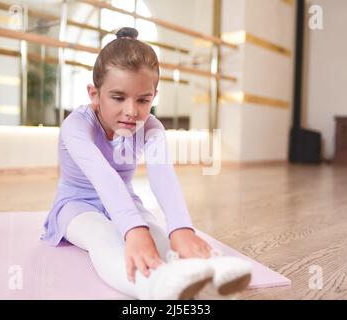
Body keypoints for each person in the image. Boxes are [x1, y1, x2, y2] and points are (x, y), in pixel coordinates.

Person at [41, 27, 252, 300]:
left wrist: (181, 229)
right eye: (118, 97)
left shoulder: (152, 127)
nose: (131, 111)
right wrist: (133, 231)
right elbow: (103, 176)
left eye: (143, 100)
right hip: (76, 205)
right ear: (94, 94)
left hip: (126, 200)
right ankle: (154, 287)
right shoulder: (76, 126)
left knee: (157, 233)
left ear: (154, 95)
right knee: (103, 236)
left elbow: (163, 178)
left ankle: (206, 273)